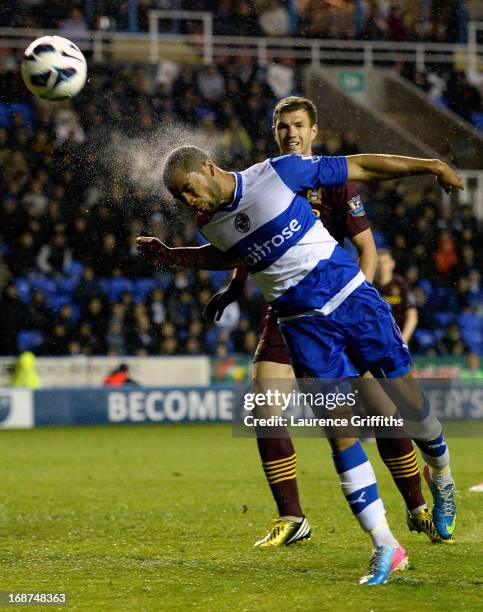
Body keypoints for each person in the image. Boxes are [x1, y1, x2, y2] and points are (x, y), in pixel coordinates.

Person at [137, 144, 461, 585]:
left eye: (189, 190)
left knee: (411, 409)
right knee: (339, 435)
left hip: (352, 299)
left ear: (209, 168)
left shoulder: (274, 174)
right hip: (302, 326)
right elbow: (230, 252)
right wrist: (175, 255)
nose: (189, 202)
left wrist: (432, 165)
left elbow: (361, 165)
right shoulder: (208, 221)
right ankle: (385, 545)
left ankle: (440, 477)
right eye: (181, 199)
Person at [202, 98, 437, 547]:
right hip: (286, 311)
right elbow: (245, 241)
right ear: (275, 132)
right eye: (282, 127)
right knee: (264, 408)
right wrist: (234, 288)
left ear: (313, 131)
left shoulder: (335, 181)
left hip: (340, 300)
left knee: (382, 413)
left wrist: (352, 300)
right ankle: (292, 517)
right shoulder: (263, 176)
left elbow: (367, 250)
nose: (291, 134)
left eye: (298, 126)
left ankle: (417, 506)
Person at [375, 249, 418, 345]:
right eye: (379, 263)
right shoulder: (369, 285)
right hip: (375, 337)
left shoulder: (401, 284)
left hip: (397, 335)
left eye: (385, 262)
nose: (382, 266)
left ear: (392, 264)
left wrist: (403, 340)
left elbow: (412, 314)